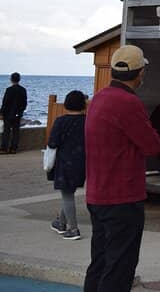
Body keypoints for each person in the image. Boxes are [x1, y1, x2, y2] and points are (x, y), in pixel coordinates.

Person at [85, 44, 160, 292]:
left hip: (97, 193)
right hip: (123, 196)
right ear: (140, 73)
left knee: (100, 261)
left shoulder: (99, 98)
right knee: (120, 267)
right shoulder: (129, 103)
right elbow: (152, 146)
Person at [48, 90, 88, 241]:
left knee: (67, 194)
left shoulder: (61, 121)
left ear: (66, 104)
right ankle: (60, 223)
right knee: (68, 193)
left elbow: (53, 143)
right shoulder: (87, 121)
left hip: (65, 162)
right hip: (82, 162)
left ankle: (73, 228)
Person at [1, 72, 28, 154]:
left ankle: (4, 148)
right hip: (17, 114)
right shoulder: (23, 90)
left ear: (11, 80)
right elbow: (24, 103)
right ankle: (14, 149)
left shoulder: (9, 90)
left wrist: (1, 113)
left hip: (8, 114)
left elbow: (5, 103)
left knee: (7, 131)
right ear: (19, 79)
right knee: (16, 132)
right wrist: (21, 112)